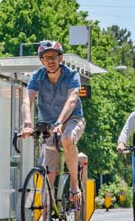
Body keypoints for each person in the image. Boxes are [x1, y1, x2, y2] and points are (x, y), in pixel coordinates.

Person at [19, 40, 85, 205]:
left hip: (72, 119)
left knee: (67, 138)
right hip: (48, 125)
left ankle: (74, 184)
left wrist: (60, 122)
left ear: (61, 57)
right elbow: (28, 100)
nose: (50, 60)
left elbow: (72, 100)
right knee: (49, 175)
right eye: (46, 57)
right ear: (41, 60)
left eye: (54, 56)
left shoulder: (71, 75)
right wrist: (27, 123)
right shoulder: (37, 77)